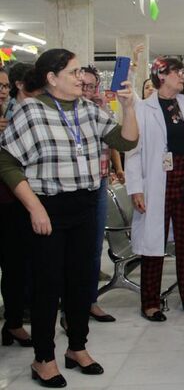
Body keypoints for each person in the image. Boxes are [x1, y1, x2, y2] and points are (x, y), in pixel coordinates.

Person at [0, 48, 138, 388]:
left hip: (86, 204)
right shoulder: (30, 111)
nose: (81, 78)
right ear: (52, 78)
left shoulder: (90, 111)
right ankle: (43, 357)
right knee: (48, 285)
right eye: (74, 72)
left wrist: (130, 105)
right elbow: (6, 162)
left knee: (80, 282)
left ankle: (77, 347)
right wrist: (34, 207)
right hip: (47, 206)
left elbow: (126, 140)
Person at [125, 57, 184, 322]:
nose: (183, 76)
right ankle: (150, 302)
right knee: (154, 244)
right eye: (178, 72)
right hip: (156, 181)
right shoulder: (143, 109)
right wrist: (136, 189)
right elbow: (133, 153)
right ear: (162, 75)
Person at [77, 65, 117, 324]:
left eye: (93, 86)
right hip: (74, 186)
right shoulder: (67, 112)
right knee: (71, 250)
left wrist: (103, 108)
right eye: (85, 86)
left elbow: (115, 139)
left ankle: (90, 301)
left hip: (99, 182)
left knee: (93, 246)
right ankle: (71, 303)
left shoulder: (98, 110)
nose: (90, 92)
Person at [0, 65, 34, 349]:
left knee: (15, 267)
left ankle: (13, 323)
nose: (1, 93)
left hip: (11, 203)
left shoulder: (14, 113)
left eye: (3, 87)